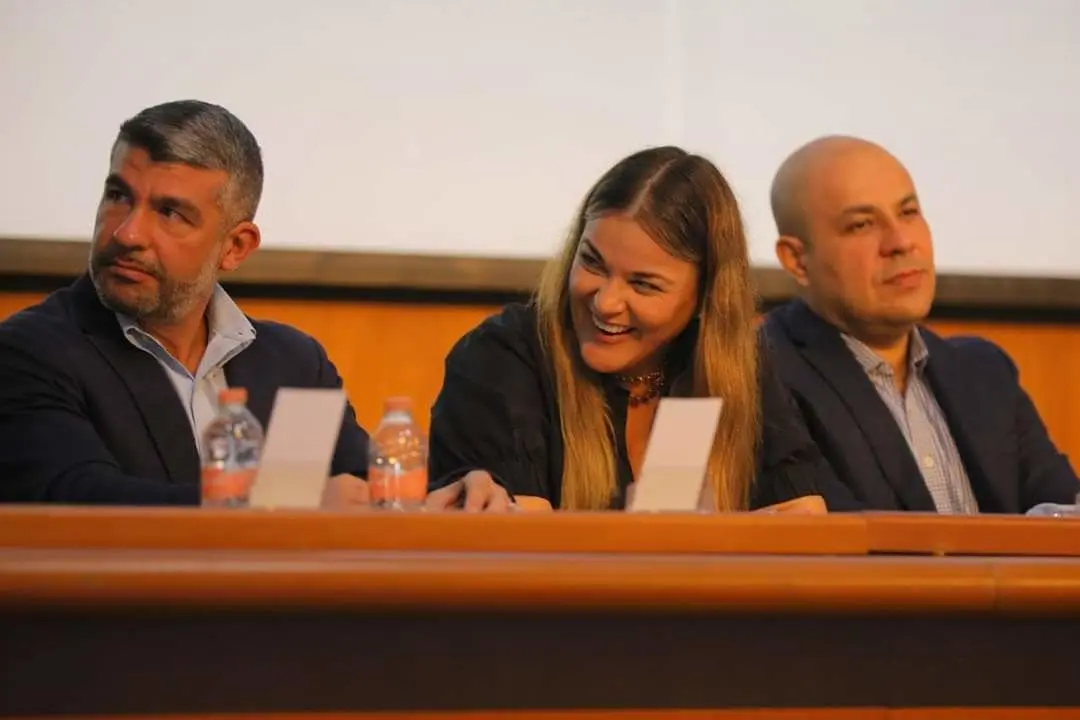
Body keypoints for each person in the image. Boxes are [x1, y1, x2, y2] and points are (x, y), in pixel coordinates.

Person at [425, 146, 836, 513]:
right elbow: (523, 537)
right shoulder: (502, 357)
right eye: (592, 263)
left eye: (643, 284)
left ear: (705, 298)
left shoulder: (738, 366)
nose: (605, 301)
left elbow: (801, 516)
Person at [0, 100, 370, 505]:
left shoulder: (295, 365)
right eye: (118, 195)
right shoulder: (30, 350)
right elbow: (77, 498)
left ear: (235, 247)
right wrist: (286, 507)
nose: (127, 234)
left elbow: (360, 486)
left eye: (170, 213)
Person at [764, 135, 1079, 513]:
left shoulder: (985, 372)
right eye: (862, 224)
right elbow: (839, 542)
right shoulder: (762, 373)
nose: (900, 242)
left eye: (909, 212)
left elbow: (1065, 514)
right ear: (797, 259)